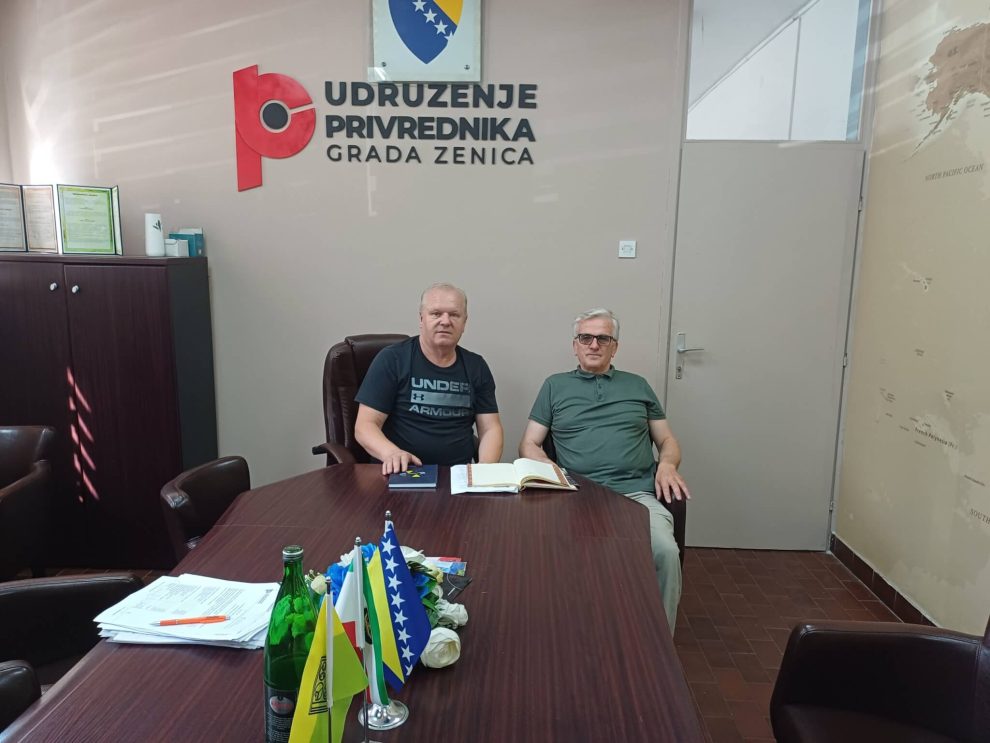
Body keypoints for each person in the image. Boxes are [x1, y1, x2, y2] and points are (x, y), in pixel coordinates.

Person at [518, 308, 689, 629]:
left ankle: (660, 642)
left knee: (666, 552)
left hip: (636, 495)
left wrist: (667, 464)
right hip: (576, 497)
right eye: (586, 338)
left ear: (615, 347)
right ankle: (565, 630)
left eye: (603, 338)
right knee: (545, 553)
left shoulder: (638, 386)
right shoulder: (555, 385)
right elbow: (528, 444)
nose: (594, 344)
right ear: (575, 345)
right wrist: (555, 473)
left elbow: (667, 439)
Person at [355, 282, 504, 474]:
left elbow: (491, 428)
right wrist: (391, 453)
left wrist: (484, 470)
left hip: (457, 476)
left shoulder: (477, 366)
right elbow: (365, 426)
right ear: (421, 319)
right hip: (403, 473)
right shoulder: (392, 359)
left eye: (454, 315)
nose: (445, 321)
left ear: (464, 322)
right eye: (436, 313)